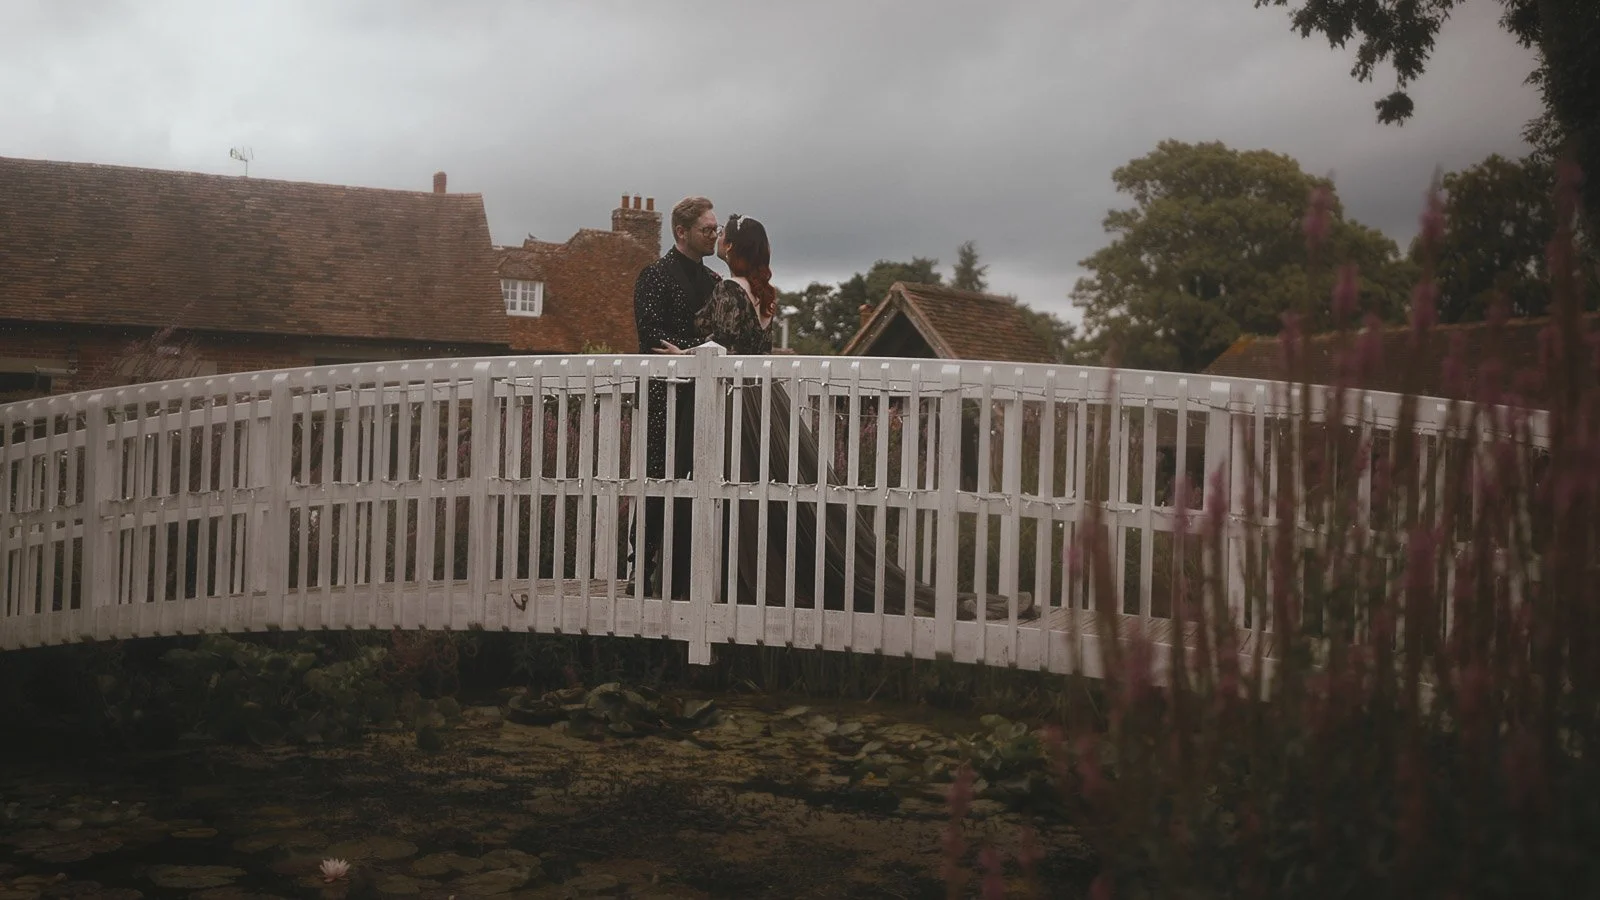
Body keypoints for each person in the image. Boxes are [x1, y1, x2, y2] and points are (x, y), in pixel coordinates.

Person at [660, 213, 1035, 622]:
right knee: (770, 496)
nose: (718, 240)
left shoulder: (731, 289)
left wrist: (684, 356)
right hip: (766, 399)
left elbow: (725, 351)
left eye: (724, 236)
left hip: (740, 405)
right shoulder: (762, 295)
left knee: (742, 493)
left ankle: (745, 581)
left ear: (731, 247)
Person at [628, 196, 722, 599]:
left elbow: (722, 340)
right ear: (682, 232)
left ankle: (686, 578)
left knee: (702, 484)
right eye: (707, 229)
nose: (715, 235)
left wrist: (688, 352)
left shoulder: (718, 283)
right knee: (657, 481)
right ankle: (639, 572)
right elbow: (651, 338)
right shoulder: (654, 276)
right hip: (663, 398)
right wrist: (698, 349)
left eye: (716, 229)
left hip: (705, 399)